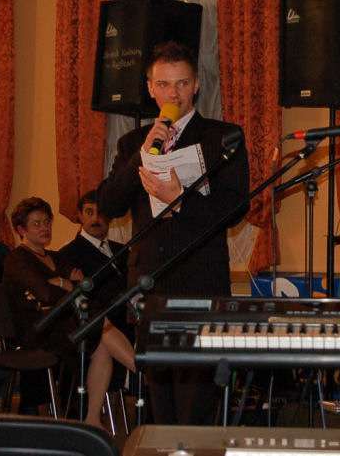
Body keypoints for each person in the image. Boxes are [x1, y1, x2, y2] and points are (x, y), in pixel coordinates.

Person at [98, 41, 250, 425]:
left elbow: (235, 208)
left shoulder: (223, 137)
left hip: (200, 286)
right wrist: (142, 154)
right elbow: (109, 204)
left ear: (195, 85)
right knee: (157, 408)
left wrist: (180, 200)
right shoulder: (133, 143)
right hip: (149, 287)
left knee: (195, 408)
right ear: (150, 88)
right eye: (164, 84)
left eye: (182, 83)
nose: (173, 94)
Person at [1, 196, 135, 426]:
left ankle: (92, 419)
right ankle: (141, 369)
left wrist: (62, 283)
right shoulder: (17, 258)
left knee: (101, 340)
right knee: (99, 324)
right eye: (36, 224)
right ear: (21, 230)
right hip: (38, 329)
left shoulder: (55, 256)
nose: (44, 228)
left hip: (63, 323)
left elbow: (82, 286)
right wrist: (65, 283)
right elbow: (45, 293)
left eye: (47, 222)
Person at [57, 190, 128, 331]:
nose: (96, 218)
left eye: (101, 212)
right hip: (100, 328)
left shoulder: (123, 249)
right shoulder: (67, 254)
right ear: (80, 215)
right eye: (89, 212)